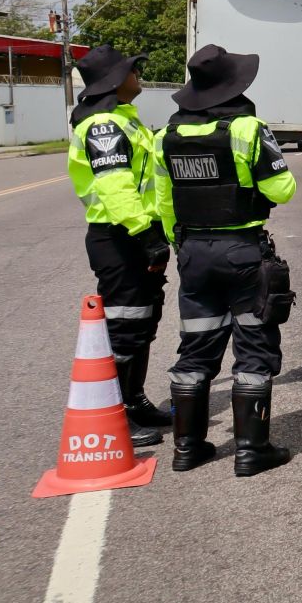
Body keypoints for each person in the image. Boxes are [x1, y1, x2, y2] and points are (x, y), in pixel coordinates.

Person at [153, 45, 297, 476]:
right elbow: (282, 189)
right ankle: (252, 451)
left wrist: (181, 247)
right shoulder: (248, 130)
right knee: (253, 344)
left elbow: (163, 203)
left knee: (196, 345)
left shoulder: (165, 137)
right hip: (242, 253)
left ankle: (187, 448)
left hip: (193, 253)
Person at [67, 45, 173, 448]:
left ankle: (134, 401)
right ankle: (117, 416)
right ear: (115, 81)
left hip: (134, 233)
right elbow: (115, 186)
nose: (138, 74)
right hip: (120, 236)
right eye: (132, 70)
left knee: (142, 323)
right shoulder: (105, 126)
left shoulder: (124, 120)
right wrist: (146, 235)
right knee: (126, 327)